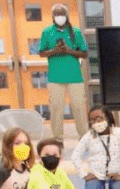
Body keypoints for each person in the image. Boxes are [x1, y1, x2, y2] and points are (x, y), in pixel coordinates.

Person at [38, 4, 88, 143]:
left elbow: (84, 53)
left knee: (78, 107)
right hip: (55, 77)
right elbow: (42, 52)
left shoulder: (76, 32)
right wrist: (55, 51)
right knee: (56, 109)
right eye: (57, 13)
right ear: (53, 16)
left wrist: (68, 50)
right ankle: (57, 139)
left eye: (62, 13)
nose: (60, 16)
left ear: (67, 15)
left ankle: (84, 137)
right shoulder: (47, 31)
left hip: (75, 77)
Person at [69, 105, 120, 189]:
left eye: (99, 119)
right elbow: (75, 155)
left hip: (115, 177)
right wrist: (84, 174)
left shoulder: (118, 132)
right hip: (96, 177)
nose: (96, 123)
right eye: (92, 120)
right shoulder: (89, 136)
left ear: (108, 118)